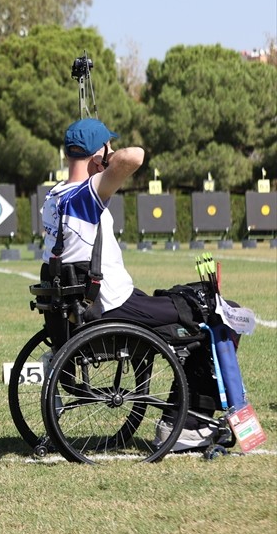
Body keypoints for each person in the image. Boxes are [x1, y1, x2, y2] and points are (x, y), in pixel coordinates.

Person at [40, 119, 229, 450]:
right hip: (112, 306)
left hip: (87, 306)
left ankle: (187, 416)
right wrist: (109, 157)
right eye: (106, 146)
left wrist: (99, 155)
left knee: (182, 296)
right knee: (212, 310)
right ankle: (188, 424)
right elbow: (135, 156)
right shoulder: (86, 194)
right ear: (96, 155)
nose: (112, 150)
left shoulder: (54, 197)